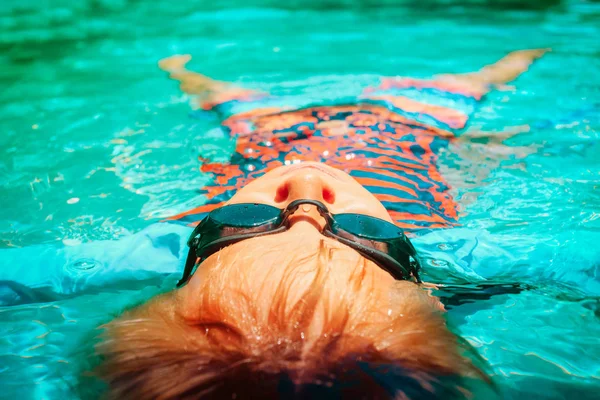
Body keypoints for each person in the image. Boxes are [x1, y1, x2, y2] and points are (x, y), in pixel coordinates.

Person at [92, 49, 547, 399]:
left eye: (243, 221)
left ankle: (183, 71)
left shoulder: (162, 250)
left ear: (185, 271)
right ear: (427, 293)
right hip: (400, 134)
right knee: (473, 87)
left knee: (216, 97)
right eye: (363, 234)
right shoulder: (460, 254)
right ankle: (518, 58)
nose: (306, 181)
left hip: (265, 135)